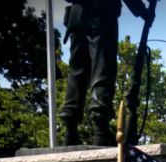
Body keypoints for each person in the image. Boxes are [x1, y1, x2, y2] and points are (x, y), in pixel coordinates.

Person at [61, 0, 154, 147]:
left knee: (77, 71)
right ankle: (100, 130)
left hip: (76, 14)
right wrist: (143, 11)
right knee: (102, 68)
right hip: (101, 13)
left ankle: (70, 129)